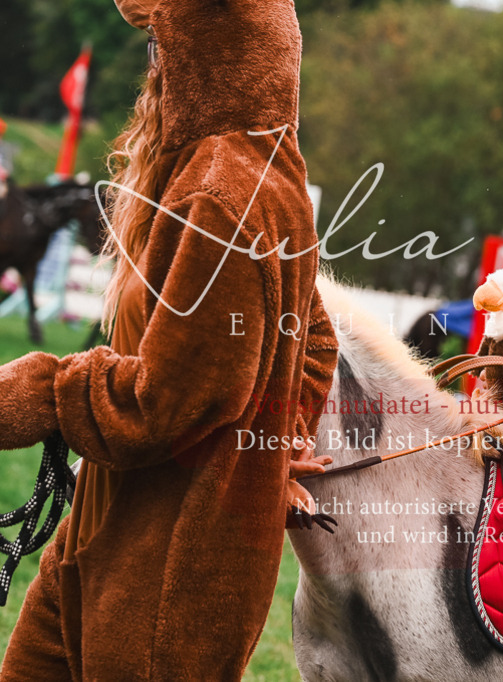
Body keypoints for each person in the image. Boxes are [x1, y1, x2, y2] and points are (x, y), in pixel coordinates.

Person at [0, 0, 338, 678]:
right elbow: (315, 343)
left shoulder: (223, 193)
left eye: (160, 45)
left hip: (167, 573)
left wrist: (44, 392)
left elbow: (171, 399)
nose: (152, 70)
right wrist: (275, 442)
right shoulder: (250, 175)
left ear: (208, 53)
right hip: (105, 530)